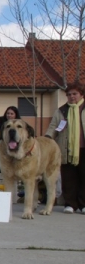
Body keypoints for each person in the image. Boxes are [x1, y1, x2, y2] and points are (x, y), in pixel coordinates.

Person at [45, 82, 85, 214]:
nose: (72, 96)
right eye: (69, 94)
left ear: (81, 94)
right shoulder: (61, 110)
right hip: (66, 149)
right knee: (68, 178)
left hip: (83, 149)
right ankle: (70, 204)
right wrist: (47, 138)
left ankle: (83, 204)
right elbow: (53, 127)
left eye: (75, 94)